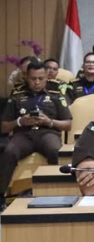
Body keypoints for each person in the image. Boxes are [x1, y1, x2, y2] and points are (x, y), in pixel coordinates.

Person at [0, 61, 72, 202]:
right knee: (9, 152)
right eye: (33, 79)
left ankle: (60, 192)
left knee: (56, 151)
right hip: (23, 134)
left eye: (41, 78)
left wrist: (49, 122)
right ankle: (2, 196)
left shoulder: (56, 93)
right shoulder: (17, 93)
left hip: (48, 133)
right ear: (26, 77)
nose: (37, 82)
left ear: (47, 77)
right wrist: (20, 121)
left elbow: (67, 124)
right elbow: (4, 127)